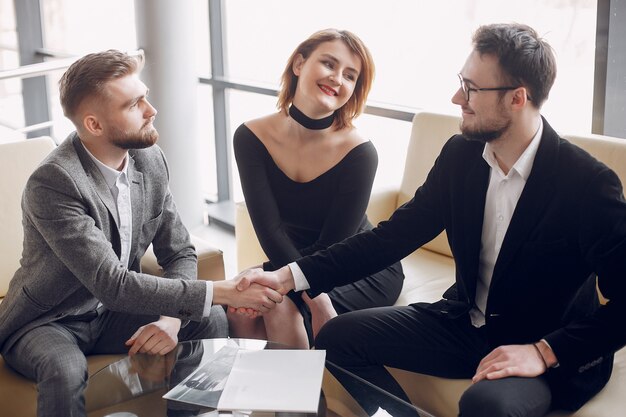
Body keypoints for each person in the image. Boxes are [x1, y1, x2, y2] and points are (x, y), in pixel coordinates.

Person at [241, 23, 626, 416]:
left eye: (472, 88)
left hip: (539, 345)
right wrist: (288, 276)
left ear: (517, 98)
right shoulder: (462, 156)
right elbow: (390, 239)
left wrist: (546, 352)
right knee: (337, 337)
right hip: (463, 323)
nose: (457, 96)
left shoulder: (587, 184)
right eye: (462, 82)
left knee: (485, 405)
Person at [0, 50, 283, 417]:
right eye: (134, 104)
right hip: (50, 320)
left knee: (210, 320)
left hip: (110, 315)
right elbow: (111, 284)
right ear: (95, 124)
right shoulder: (54, 183)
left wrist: (173, 318)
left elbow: (179, 251)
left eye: (144, 96)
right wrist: (222, 290)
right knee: (65, 368)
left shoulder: (149, 160)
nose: (151, 110)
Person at [230, 29, 403, 348]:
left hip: (357, 265)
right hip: (292, 260)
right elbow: (270, 231)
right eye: (329, 64)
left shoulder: (360, 152)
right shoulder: (250, 136)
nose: (338, 78)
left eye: (350, 75)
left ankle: (297, 397)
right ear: (299, 64)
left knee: (279, 305)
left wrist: (314, 297)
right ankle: (276, 388)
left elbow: (332, 246)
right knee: (241, 304)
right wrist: (315, 298)